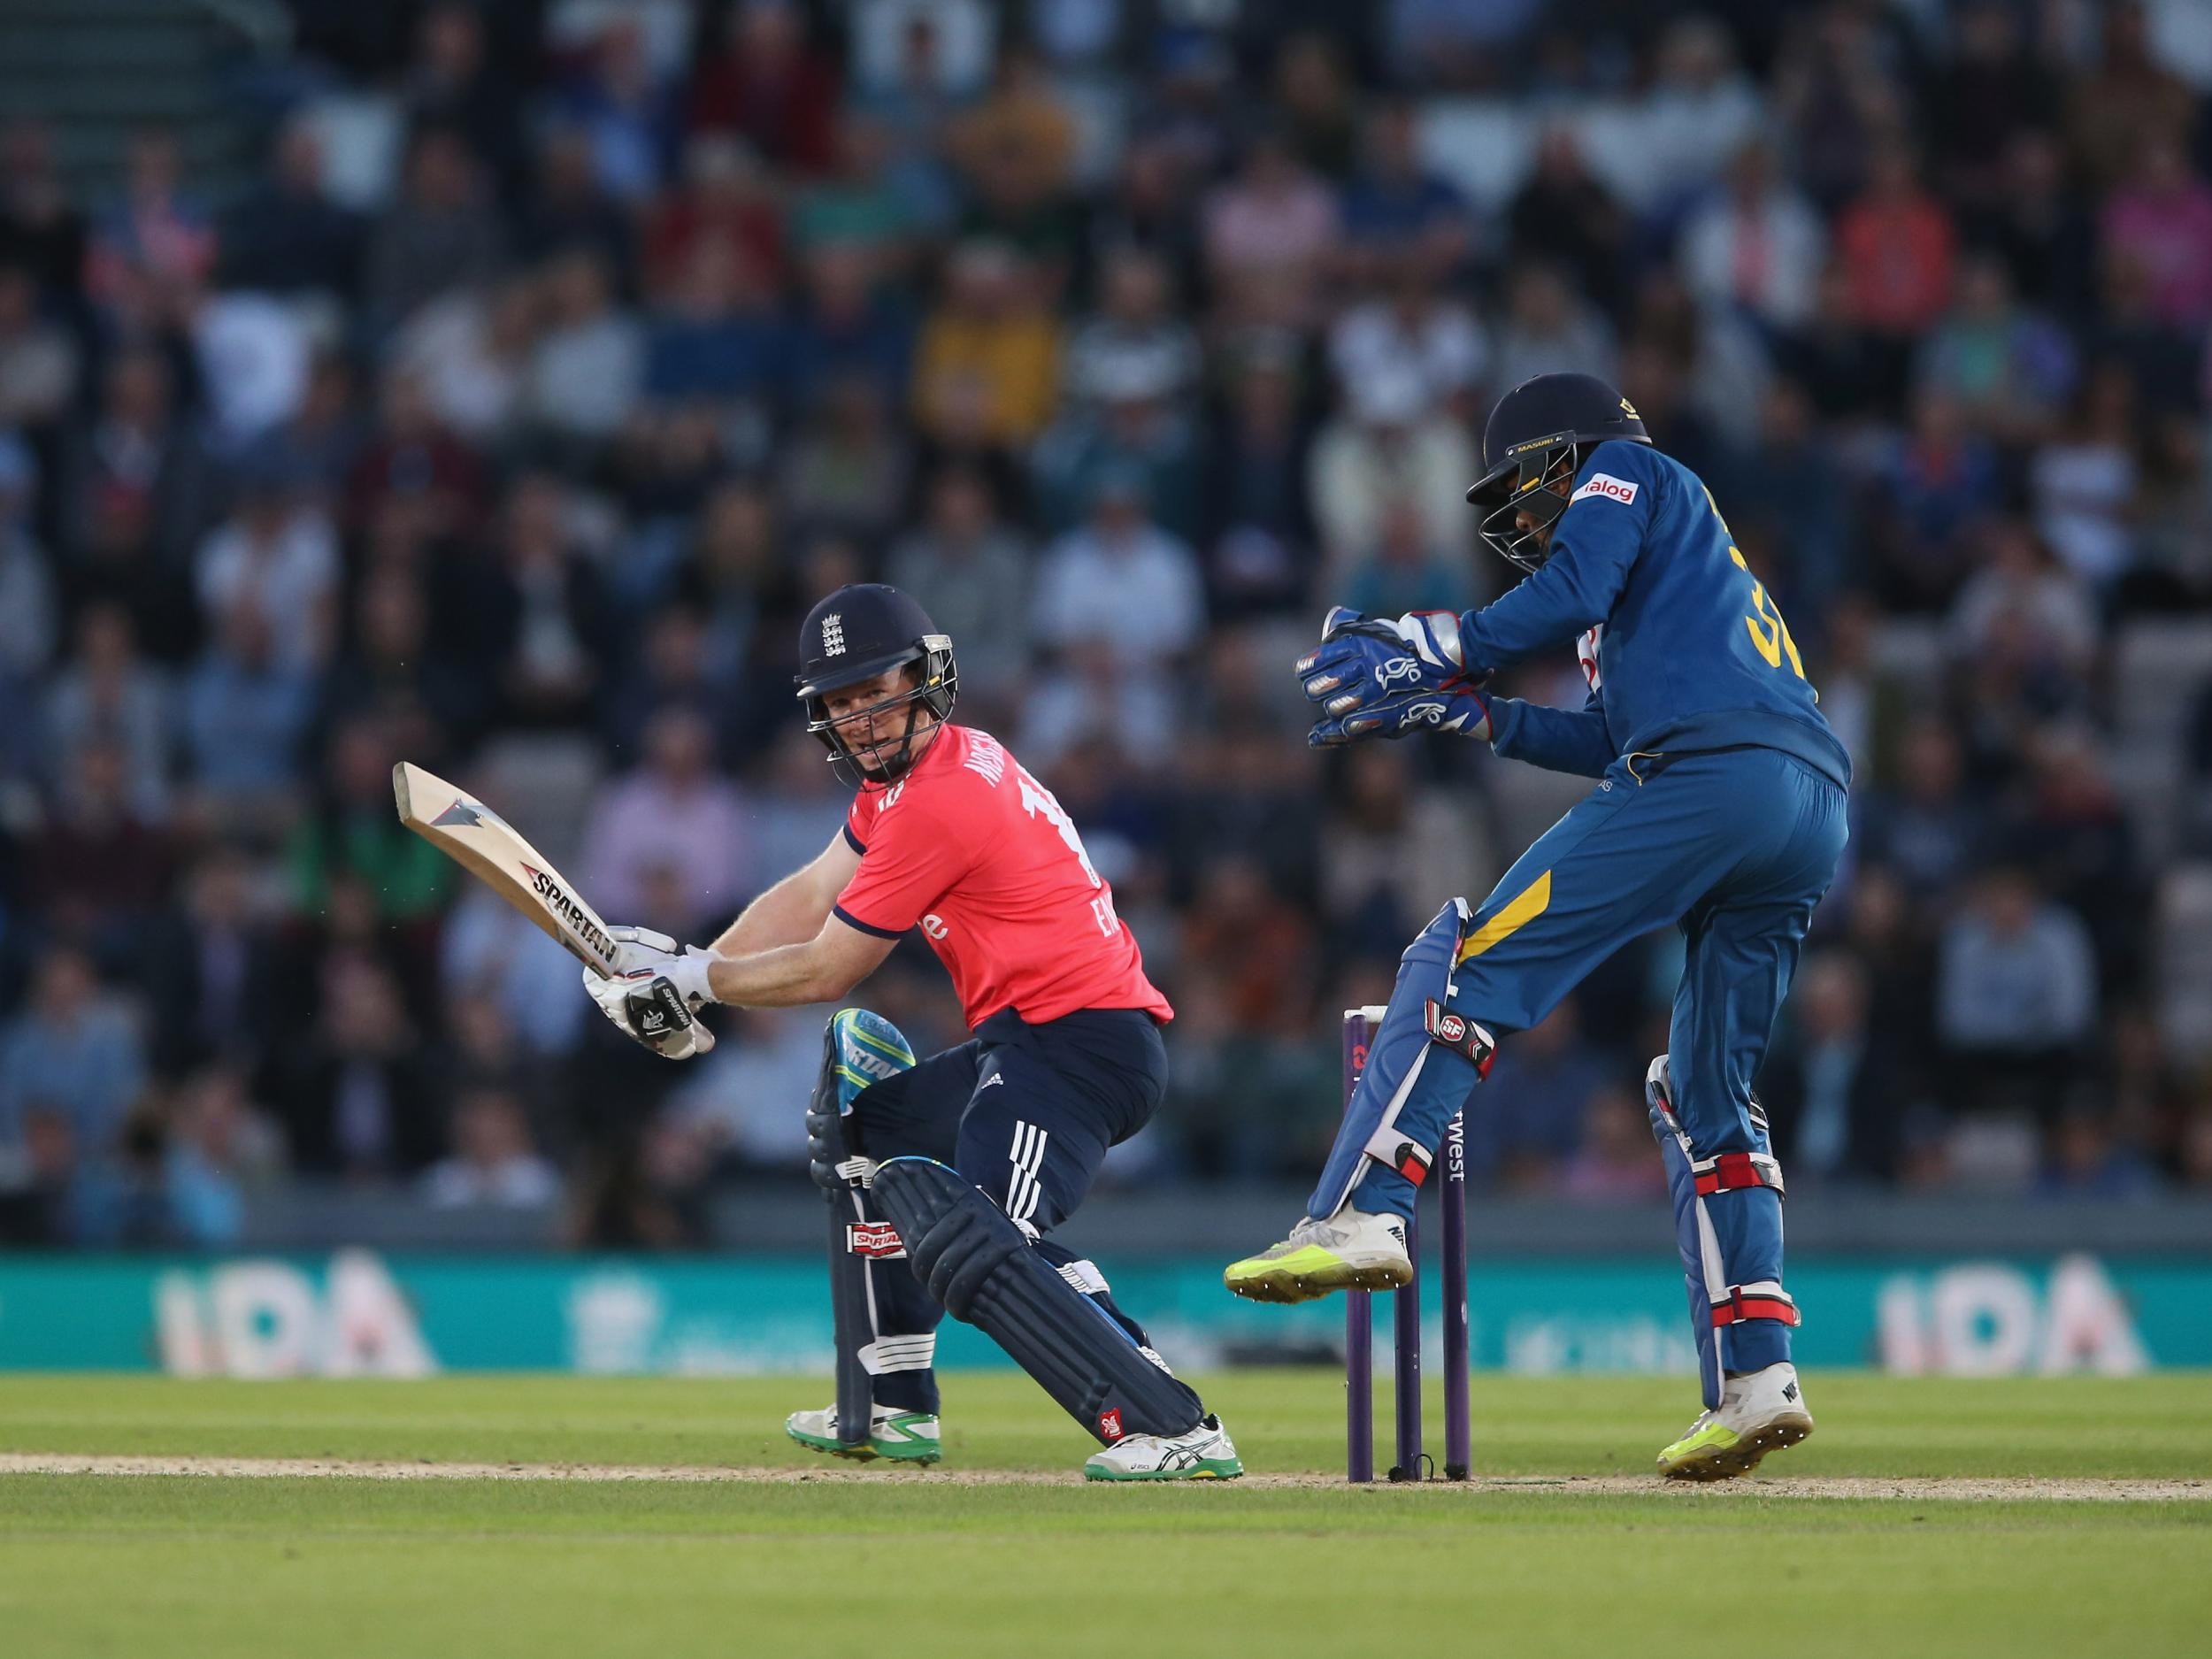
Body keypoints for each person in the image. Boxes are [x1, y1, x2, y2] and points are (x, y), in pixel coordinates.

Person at [1223, 373, 1851, 1482]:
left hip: (1710, 777)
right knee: (1700, 1091)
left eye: (1527, 484)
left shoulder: (1636, 472)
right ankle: (1758, 1382)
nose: (1518, 514)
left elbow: (1569, 591)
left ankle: (1363, 1212)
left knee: (1465, 959)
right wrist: (1464, 710)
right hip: (1804, 808)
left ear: (1578, 456)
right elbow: (1603, 742)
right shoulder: (1659, 601)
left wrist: (1437, 639)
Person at [581, 583, 1240, 1481]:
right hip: (1028, 1041)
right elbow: (812, 891)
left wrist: (695, 981)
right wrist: (695, 973)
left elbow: (829, 966)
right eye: (842, 702)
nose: (862, 718)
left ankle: (1171, 1424)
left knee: (976, 1237)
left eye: (876, 689)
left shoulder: (939, 802)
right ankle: (892, 1402)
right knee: (871, 1131)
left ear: (925, 679)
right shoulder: (911, 787)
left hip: (1081, 1047)